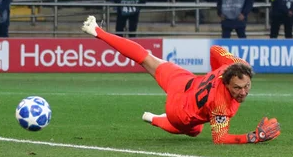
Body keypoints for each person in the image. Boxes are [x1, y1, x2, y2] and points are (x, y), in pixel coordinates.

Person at [81, 15, 281, 144]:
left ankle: (97, 31)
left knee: (147, 58)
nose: (243, 92)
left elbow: (214, 50)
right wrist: (254, 137)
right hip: (179, 110)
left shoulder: (233, 64)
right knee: (196, 131)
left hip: (185, 81)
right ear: (227, 83)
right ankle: (154, 118)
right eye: (237, 88)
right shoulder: (222, 105)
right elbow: (220, 139)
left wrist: (213, 76)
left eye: (247, 86)